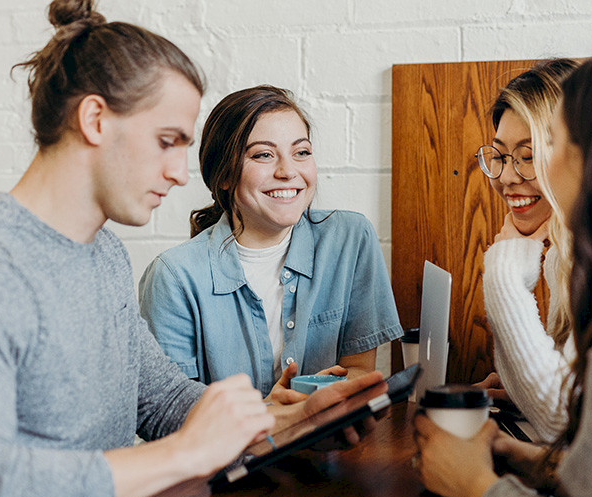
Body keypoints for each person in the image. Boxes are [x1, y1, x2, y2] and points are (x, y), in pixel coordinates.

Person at [0, 2, 383, 497]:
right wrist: (185, 455)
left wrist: (285, 422)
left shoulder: (102, 254)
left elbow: (163, 399)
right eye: (166, 141)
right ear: (95, 119)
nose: (179, 173)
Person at [414, 42, 592, 497]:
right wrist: (537, 465)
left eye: (550, 145)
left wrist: (477, 486)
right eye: (502, 156)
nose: (517, 175)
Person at [138, 85, 403, 404]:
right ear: (223, 175)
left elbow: (358, 369)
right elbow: (172, 411)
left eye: (301, 152)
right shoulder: (173, 276)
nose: (288, 171)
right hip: (231, 454)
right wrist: (273, 415)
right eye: (263, 155)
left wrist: (314, 403)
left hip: (327, 447)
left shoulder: (350, 238)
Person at [474, 59, 579, 442]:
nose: (506, 176)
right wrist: (521, 390)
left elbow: (560, 421)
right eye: (500, 155)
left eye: (528, 155)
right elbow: (568, 406)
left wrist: (504, 272)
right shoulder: (563, 254)